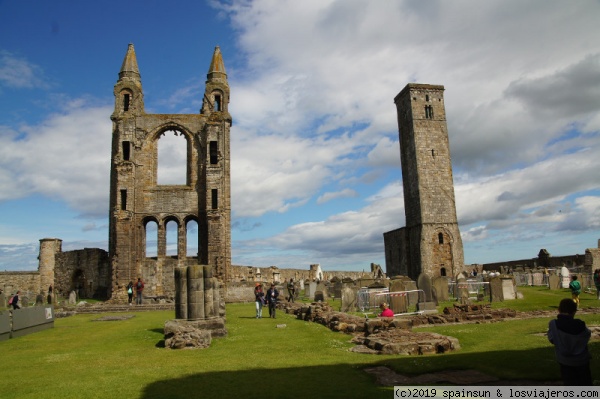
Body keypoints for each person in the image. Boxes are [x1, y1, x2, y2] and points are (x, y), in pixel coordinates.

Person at [547, 298, 592, 385]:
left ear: (559, 310)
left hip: (565, 360)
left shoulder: (554, 324)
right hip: (582, 360)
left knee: (569, 384)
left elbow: (552, 339)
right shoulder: (580, 324)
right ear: (574, 311)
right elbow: (587, 335)